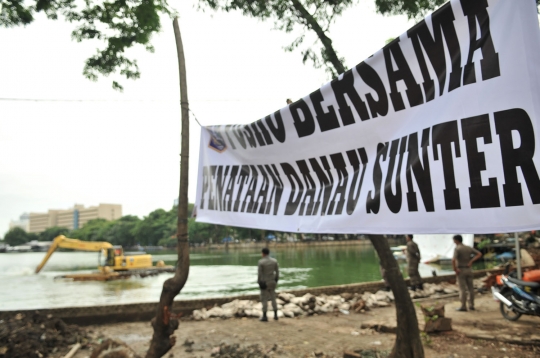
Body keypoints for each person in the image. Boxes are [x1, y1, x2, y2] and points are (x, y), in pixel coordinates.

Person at [452, 235, 482, 311]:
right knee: (470, 288)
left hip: (461, 270)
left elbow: (453, 260)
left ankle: (463, 306)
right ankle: (471, 305)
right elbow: (479, 254)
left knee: (462, 289)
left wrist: (455, 269)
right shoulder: (468, 247)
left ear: (456, 240)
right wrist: (471, 261)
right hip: (469, 269)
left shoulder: (457, 248)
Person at [258, 248, 279, 322]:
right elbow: (277, 272)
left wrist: (259, 282)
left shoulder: (261, 262)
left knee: (264, 299)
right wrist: (275, 280)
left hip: (265, 282)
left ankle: (264, 316)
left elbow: (260, 274)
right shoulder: (274, 261)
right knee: (273, 298)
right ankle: (276, 315)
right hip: (272, 281)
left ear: (263, 253)